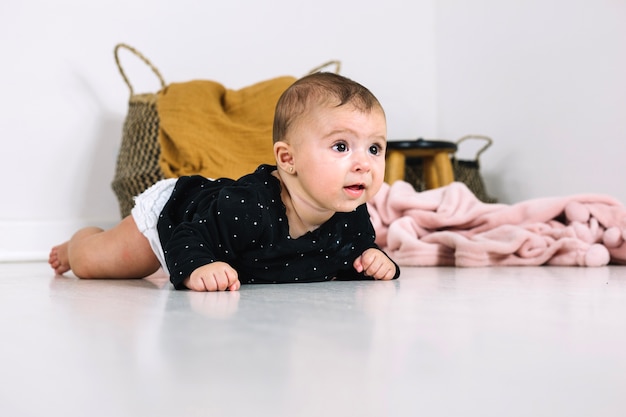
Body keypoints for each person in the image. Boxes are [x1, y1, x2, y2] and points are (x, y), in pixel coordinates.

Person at [49, 72, 400, 291]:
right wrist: (199, 266)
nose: (363, 164)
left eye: (374, 148)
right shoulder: (250, 207)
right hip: (178, 211)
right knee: (103, 264)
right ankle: (77, 244)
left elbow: (353, 251)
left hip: (213, 210)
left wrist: (372, 259)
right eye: (341, 146)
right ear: (287, 159)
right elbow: (188, 233)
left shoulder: (350, 209)